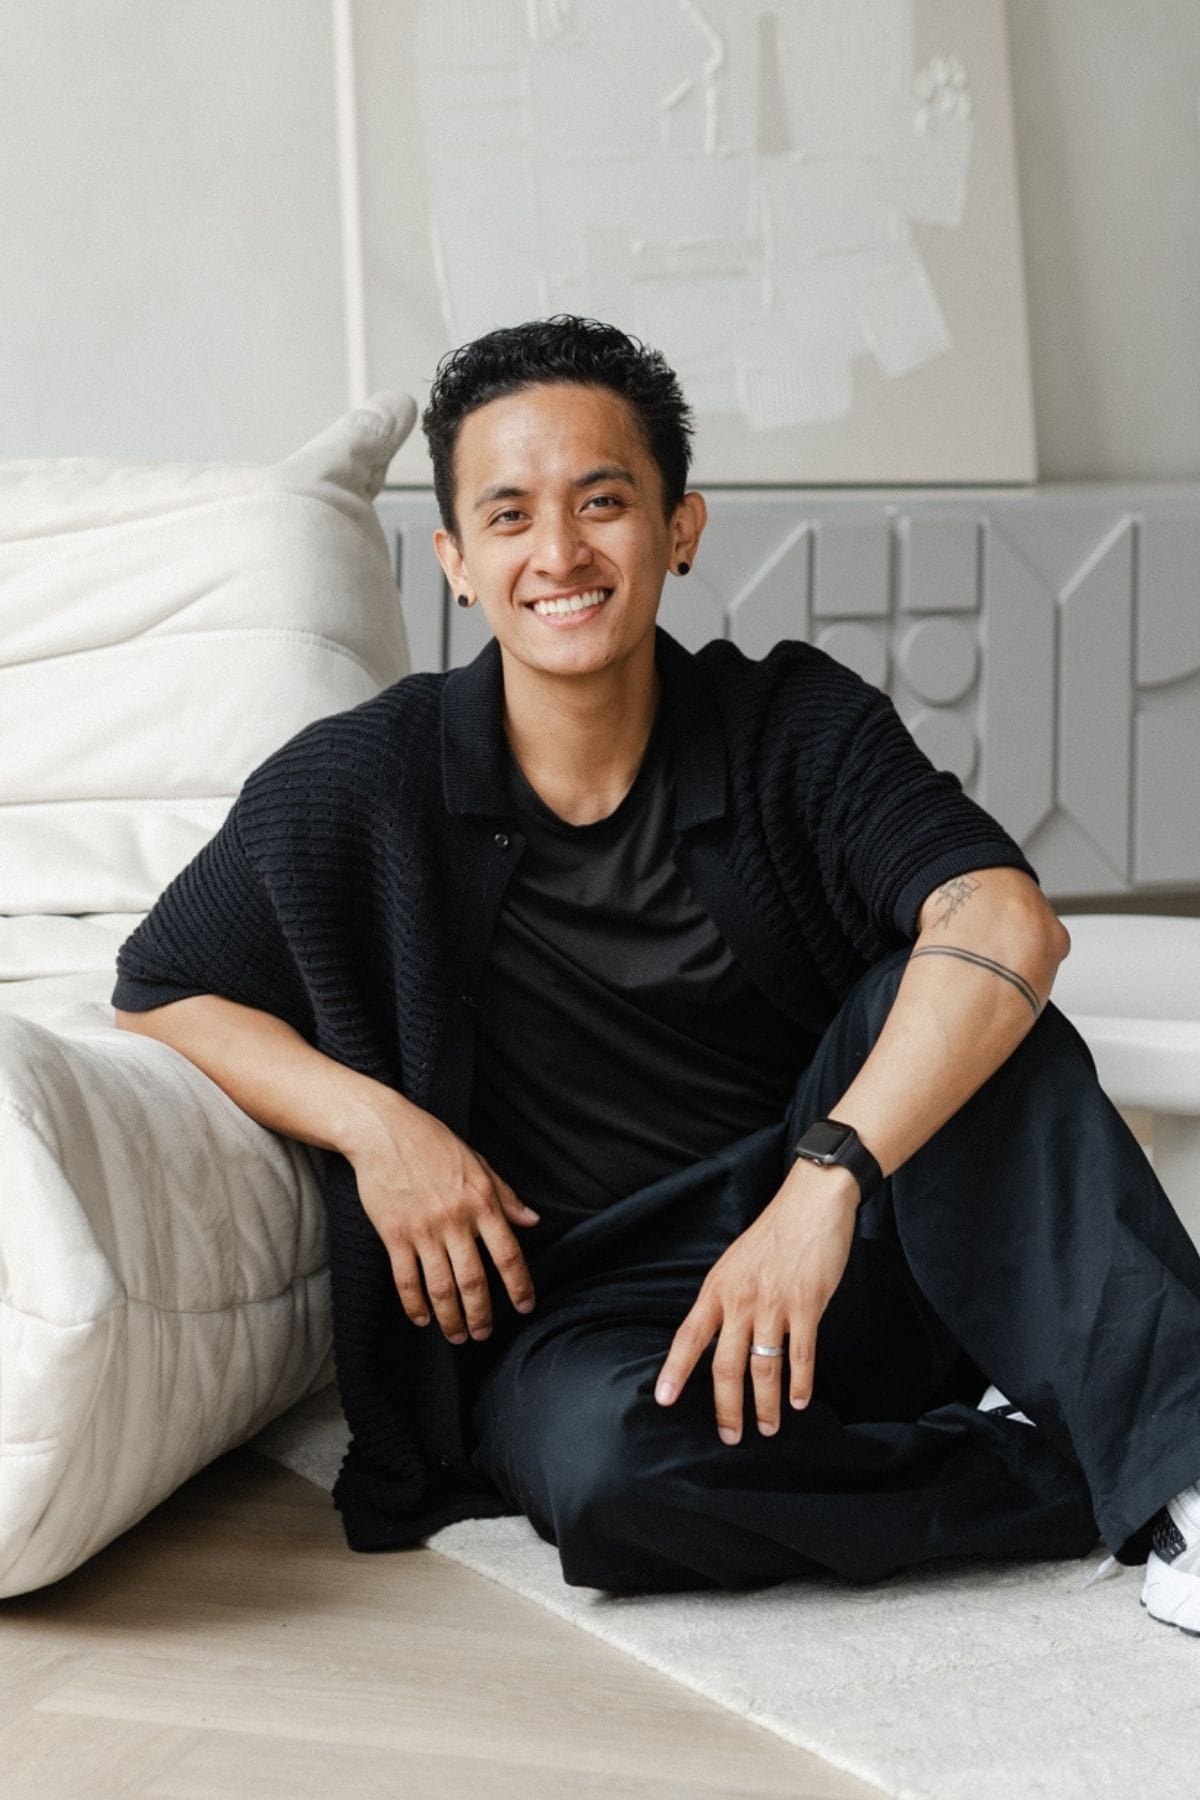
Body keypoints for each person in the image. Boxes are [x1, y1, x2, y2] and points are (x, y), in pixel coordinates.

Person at [113, 315, 1200, 1632]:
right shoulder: (362, 787)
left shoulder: (791, 723)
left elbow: (1009, 921)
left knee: (966, 992)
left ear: (679, 529)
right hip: (587, 1320)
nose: (560, 553)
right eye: (508, 517)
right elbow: (163, 985)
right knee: (621, 1483)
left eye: (603, 502)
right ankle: (1097, 1463)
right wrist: (376, 1123)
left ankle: (1182, 1463)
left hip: (845, 1246)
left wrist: (827, 1182)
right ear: (453, 562)